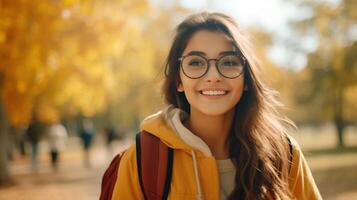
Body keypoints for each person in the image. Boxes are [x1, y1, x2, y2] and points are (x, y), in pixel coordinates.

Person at [109, 12, 322, 199]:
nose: (213, 76)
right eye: (196, 62)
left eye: (229, 62)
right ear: (179, 81)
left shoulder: (284, 154)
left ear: (246, 80)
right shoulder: (145, 158)